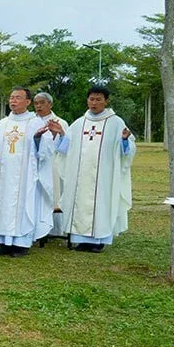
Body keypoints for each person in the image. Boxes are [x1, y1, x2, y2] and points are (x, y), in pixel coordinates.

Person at [51, 85, 135, 252]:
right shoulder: (79, 123)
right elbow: (66, 148)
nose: (94, 103)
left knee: (101, 204)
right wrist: (60, 134)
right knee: (80, 203)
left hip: (104, 175)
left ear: (106, 101)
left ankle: (99, 241)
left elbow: (127, 150)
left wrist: (125, 141)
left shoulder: (115, 122)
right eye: (91, 99)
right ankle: (81, 240)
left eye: (98, 99)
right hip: (80, 175)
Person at [0, 88, 56, 257]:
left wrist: (38, 140)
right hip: (2, 174)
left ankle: (21, 243)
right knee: (1, 204)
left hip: (25, 176)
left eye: (18, 98)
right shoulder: (1, 125)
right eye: (11, 98)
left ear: (28, 102)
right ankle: (1, 242)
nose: (13, 101)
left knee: (23, 205)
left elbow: (46, 151)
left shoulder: (35, 123)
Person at [33, 91, 66, 237]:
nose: (38, 106)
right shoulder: (30, 121)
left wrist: (59, 135)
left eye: (42, 103)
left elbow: (66, 145)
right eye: (36, 103)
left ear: (50, 104)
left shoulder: (60, 122)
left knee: (54, 193)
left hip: (53, 164)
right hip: (34, 164)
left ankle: (54, 229)